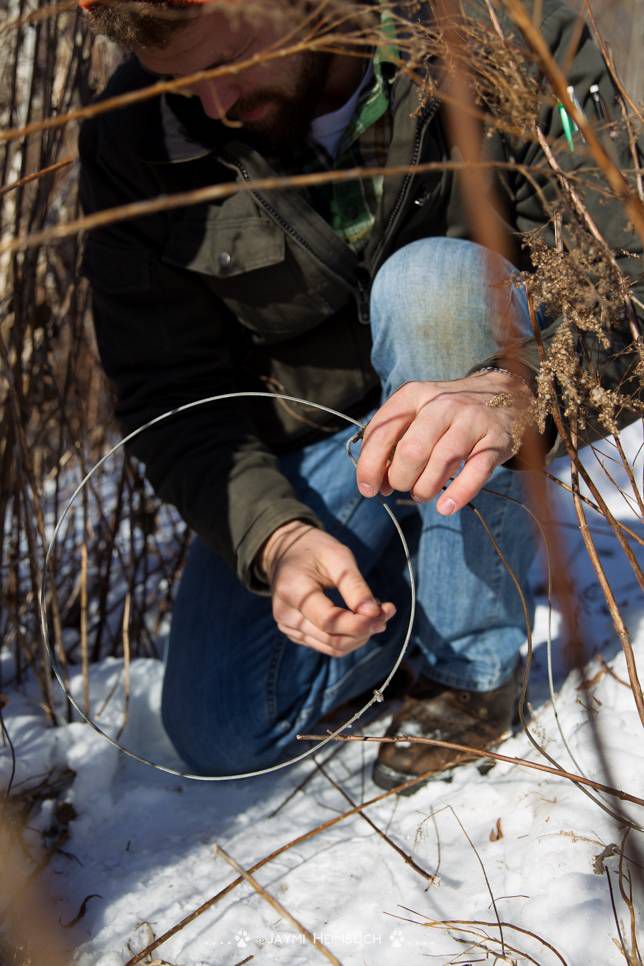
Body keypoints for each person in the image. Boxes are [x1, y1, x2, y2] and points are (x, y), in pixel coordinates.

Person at [78, 0, 641, 789]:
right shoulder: (134, 134)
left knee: (433, 287)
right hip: (329, 452)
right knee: (223, 725)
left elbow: (631, 284)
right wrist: (276, 539)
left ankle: (469, 666)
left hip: (486, 401)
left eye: (226, 63)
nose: (216, 108)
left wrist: (520, 392)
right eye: (183, 86)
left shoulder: (498, 28)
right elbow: (169, 392)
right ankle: (402, 594)